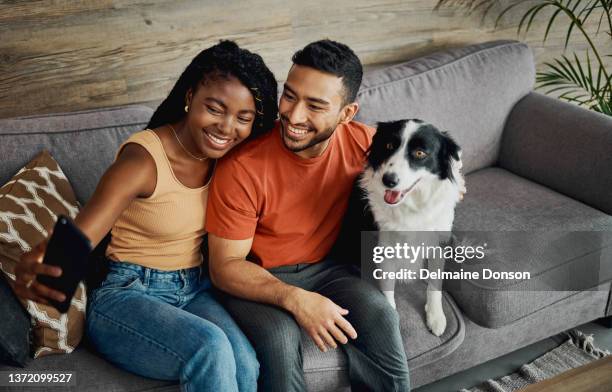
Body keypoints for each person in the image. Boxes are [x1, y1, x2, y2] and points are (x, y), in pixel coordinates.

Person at [13, 40, 278, 392]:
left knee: (246, 363)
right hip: (127, 295)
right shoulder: (143, 160)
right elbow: (86, 231)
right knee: (210, 349)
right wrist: (45, 262)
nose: (227, 128)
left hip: (193, 289)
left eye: (243, 118)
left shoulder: (231, 161)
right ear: (190, 97)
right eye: (215, 109)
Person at [206, 39, 411, 392]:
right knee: (280, 340)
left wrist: (445, 182)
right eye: (290, 95)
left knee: (380, 315)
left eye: (315, 105)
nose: (293, 115)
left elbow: (419, 166)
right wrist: (295, 299)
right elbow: (224, 268)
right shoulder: (242, 167)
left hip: (327, 271)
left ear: (347, 114)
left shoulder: (365, 143)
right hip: (255, 275)